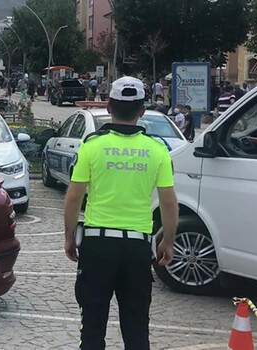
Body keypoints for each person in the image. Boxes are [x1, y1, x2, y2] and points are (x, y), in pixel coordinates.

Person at [63, 76, 178, 350]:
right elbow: (169, 203)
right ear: (142, 110)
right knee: (137, 327)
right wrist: (168, 241)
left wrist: (69, 237)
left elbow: (73, 198)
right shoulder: (157, 150)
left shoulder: (92, 146)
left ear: (109, 106)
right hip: (137, 248)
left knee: (92, 326)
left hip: (97, 245)